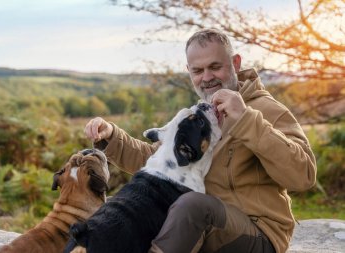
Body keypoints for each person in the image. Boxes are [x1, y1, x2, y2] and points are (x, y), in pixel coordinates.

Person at [84, 28, 317, 253]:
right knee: (131, 215)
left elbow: (303, 175)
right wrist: (112, 137)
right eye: (198, 70)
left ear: (235, 63)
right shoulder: (203, 113)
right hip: (202, 226)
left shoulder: (268, 110)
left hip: (258, 233)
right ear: (189, 71)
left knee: (191, 205)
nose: (207, 78)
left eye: (215, 67)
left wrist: (246, 119)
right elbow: (158, 161)